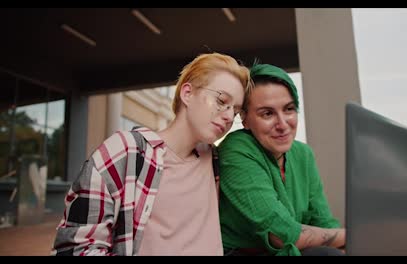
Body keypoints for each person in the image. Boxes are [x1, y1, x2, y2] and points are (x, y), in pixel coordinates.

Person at [51, 52, 252, 256]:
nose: (228, 116)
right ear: (188, 93)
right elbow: (75, 249)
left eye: (234, 111)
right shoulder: (126, 151)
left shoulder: (216, 162)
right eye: (221, 100)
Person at [218, 63, 345, 256]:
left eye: (289, 109)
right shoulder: (236, 149)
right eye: (267, 113)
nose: (283, 125)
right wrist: (349, 236)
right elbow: (280, 234)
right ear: (244, 118)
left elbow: (323, 221)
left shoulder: (303, 155)